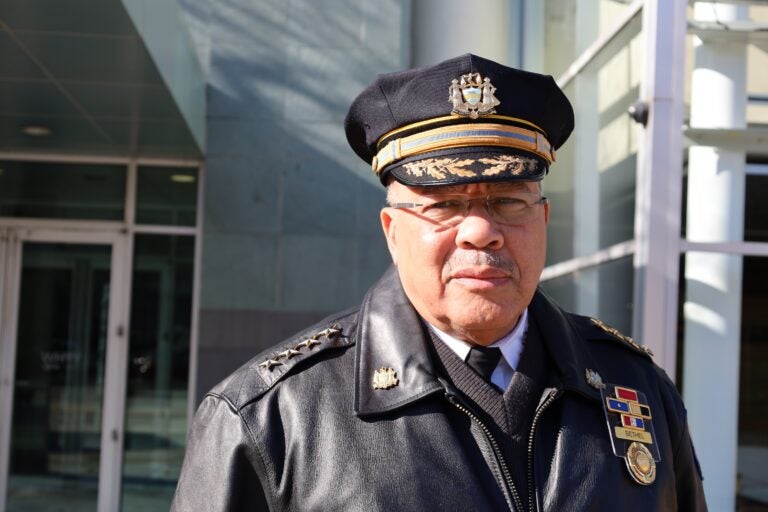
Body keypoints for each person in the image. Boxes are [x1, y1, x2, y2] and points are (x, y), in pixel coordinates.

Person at [171, 54, 707, 511]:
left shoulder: (636, 389)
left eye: (509, 201)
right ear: (392, 231)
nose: (481, 231)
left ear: (542, 222)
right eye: (445, 205)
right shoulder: (269, 418)